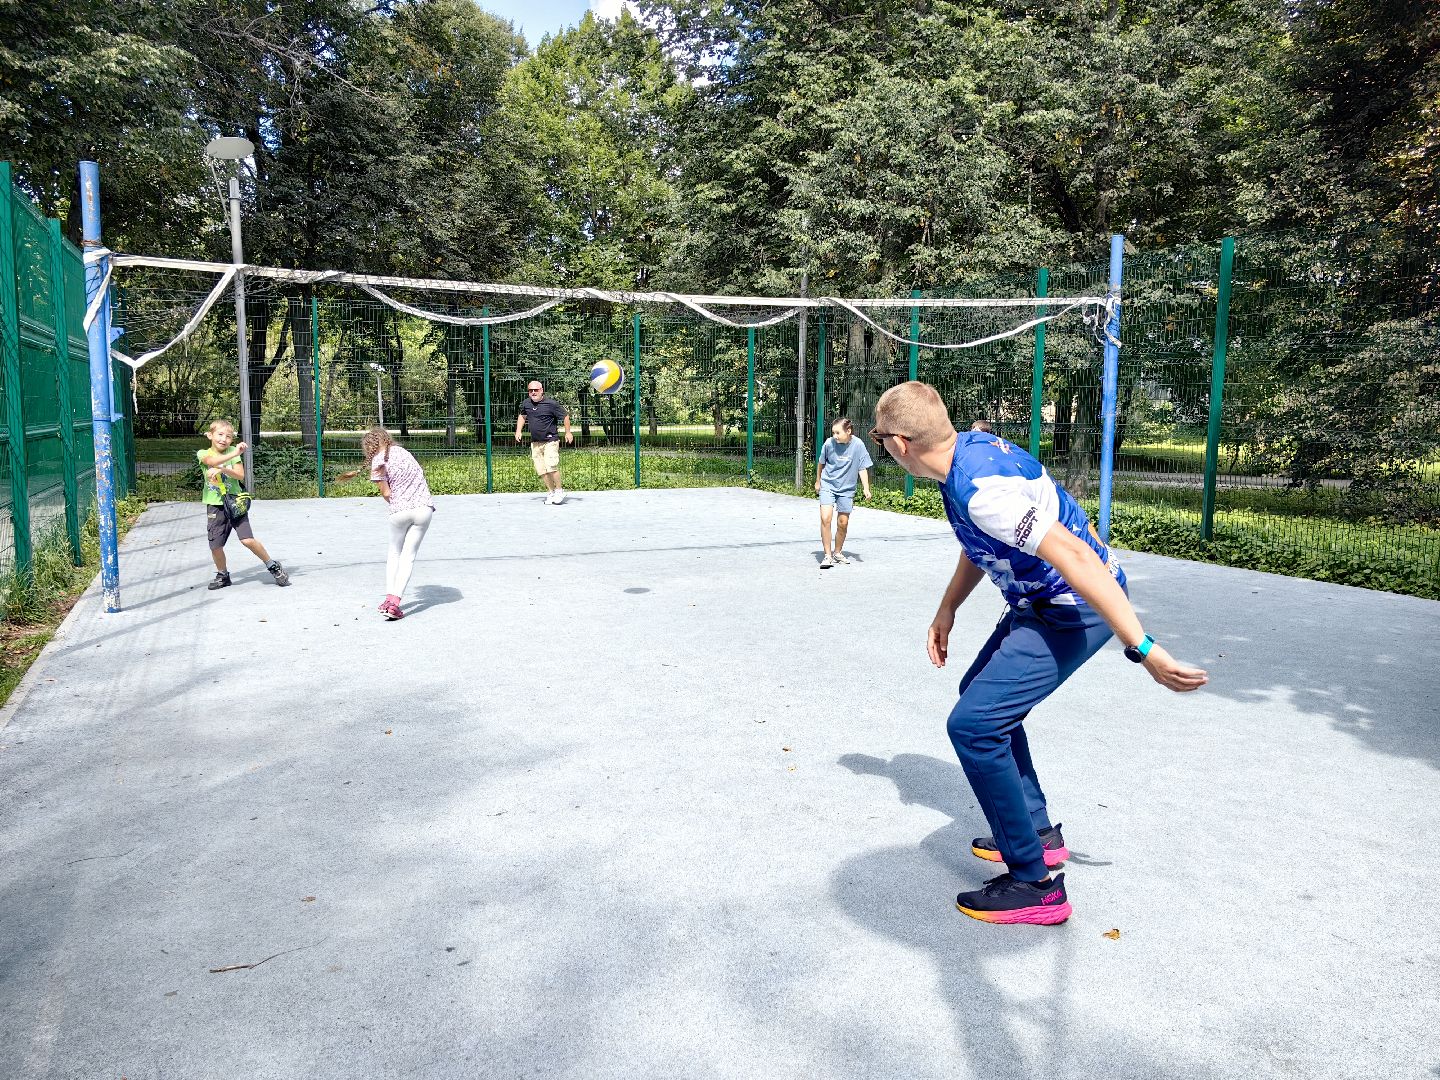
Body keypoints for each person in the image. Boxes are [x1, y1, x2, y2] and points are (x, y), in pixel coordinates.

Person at [870, 382, 1207, 925]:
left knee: (975, 726)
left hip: (1075, 607)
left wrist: (1142, 647)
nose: (880, 444)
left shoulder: (980, 491)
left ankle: (1035, 884)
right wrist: (948, 608)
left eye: (879, 436)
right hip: (1046, 601)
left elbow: (1074, 552)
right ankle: (1039, 833)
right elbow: (984, 542)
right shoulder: (969, 454)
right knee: (979, 702)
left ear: (900, 443)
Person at [339, 427, 435, 620]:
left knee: (394, 554)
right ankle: (395, 604)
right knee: (409, 557)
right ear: (387, 439)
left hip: (399, 512)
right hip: (424, 508)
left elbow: (386, 493)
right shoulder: (405, 452)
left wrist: (399, 502)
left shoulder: (377, 461)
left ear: (369, 447)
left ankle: (388, 599)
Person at [196, 420, 290, 590]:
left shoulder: (233, 452)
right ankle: (223, 575)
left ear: (232, 440)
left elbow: (239, 475)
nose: (224, 439)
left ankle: (272, 565)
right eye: (220, 434)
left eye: (229, 436)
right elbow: (211, 462)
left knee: (247, 540)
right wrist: (232, 456)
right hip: (215, 505)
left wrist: (224, 469)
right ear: (210, 435)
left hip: (236, 502)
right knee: (216, 545)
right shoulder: (203, 453)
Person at [814, 417, 873, 569]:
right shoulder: (829, 443)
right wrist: (818, 481)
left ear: (848, 431)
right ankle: (827, 555)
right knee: (825, 518)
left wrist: (866, 488)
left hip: (847, 489)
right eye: (833, 432)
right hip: (828, 485)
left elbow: (862, 467)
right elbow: (821, 463)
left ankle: (837, 552)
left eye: (838, 433)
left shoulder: (858, 445)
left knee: (843, 523)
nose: (835, 436)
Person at [515, 380, 573, 504]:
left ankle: (559, 491)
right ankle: (551, 493)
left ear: (542, 390)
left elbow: (565, 416)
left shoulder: (551, 404)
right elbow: (522, 416)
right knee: (541, 470)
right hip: (535, 443)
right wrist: (518, 430)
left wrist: (568, 432)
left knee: (551, 465)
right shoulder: (526, 404)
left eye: (536, 390)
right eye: (531, 390)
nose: (533, 392)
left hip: (550, 440)